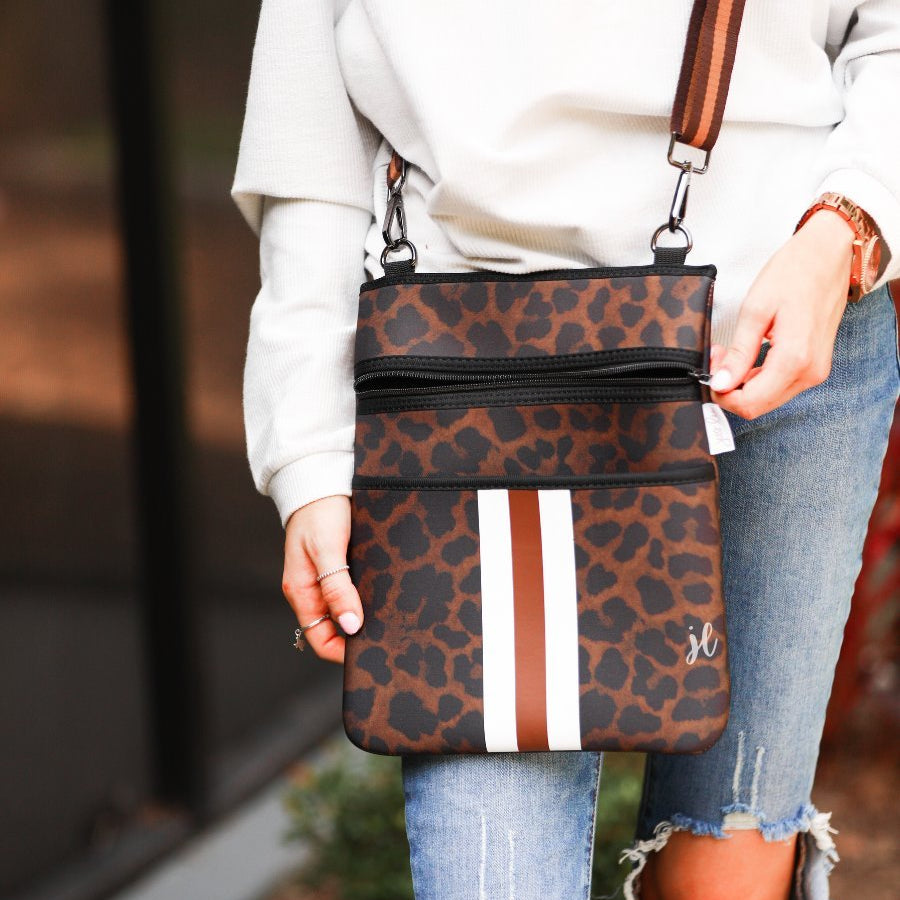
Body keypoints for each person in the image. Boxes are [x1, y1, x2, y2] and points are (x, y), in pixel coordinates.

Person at [231, 2, 900, 898]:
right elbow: (308, 143)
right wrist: (308, 458)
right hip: (467, 378)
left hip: (777, 345)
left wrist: (846, 231)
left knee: (727, 861)